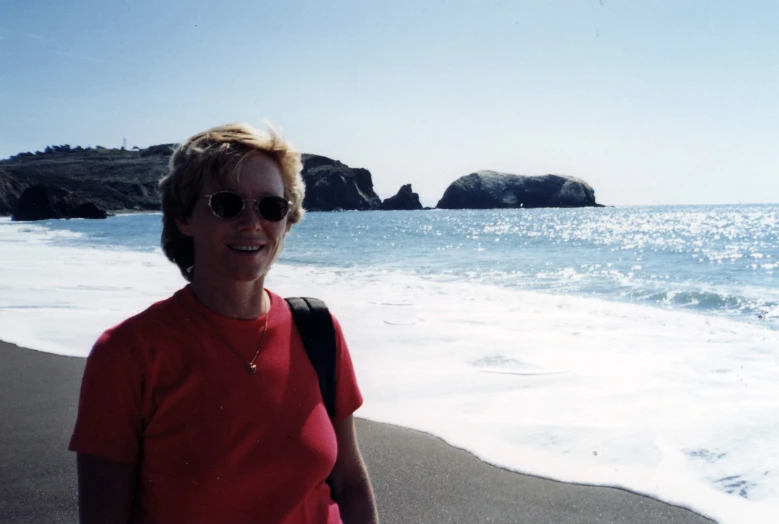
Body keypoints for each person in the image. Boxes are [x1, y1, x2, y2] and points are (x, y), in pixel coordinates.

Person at [68, 122, 379, 524]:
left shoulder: (317, 330)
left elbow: (350, 481)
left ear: (288, 221)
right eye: (227, 204)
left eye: (271, 207)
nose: (252, 223)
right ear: (185, 216)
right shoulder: (129, 354)